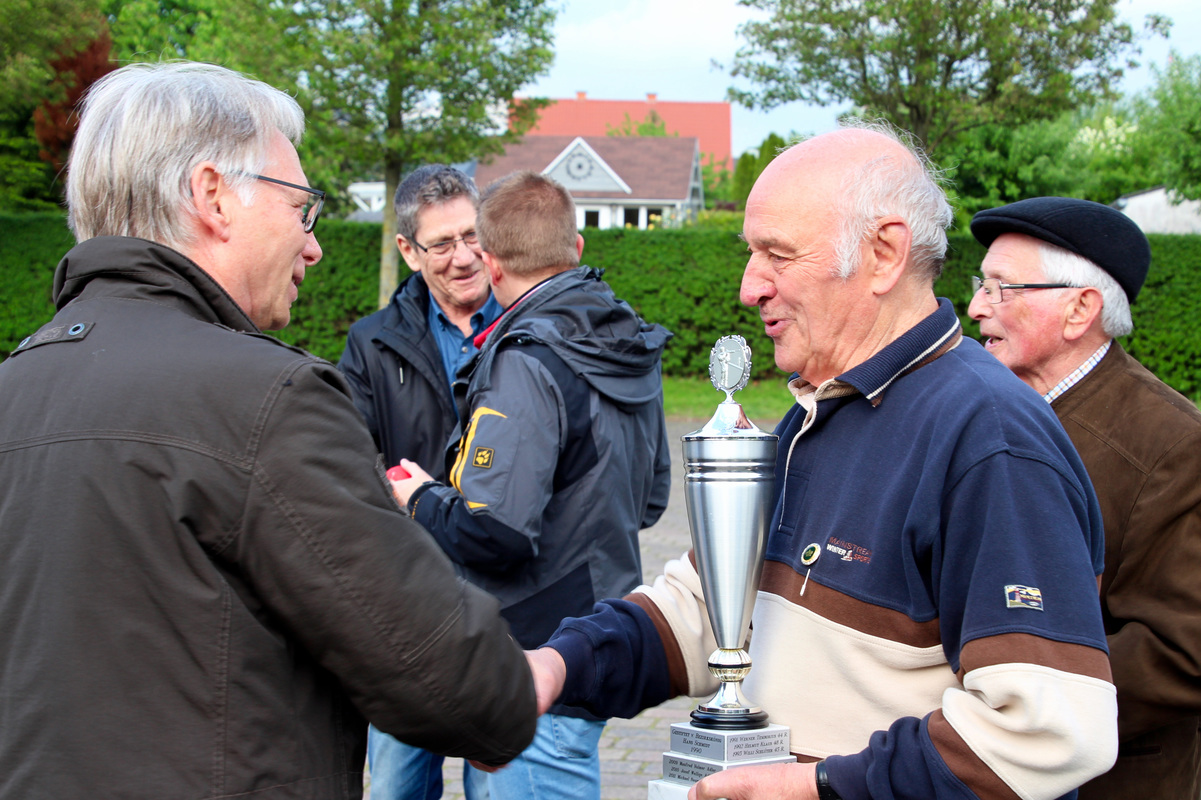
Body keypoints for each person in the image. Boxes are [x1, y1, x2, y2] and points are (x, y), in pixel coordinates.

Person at [522, 123, 1120, 800]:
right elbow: (711, 612)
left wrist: (817, 786)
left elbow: (1050, 732)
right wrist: (557, 666)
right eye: (750, 253)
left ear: (884, 253)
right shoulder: (818, 413)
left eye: (777, 254)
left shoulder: (989, 440)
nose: (749, 286)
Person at [0, 62, 536, 800]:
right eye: (300, 208)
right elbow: (458, 684)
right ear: (213, 196)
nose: (314, 247)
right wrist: (519, 680)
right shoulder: (266, 399)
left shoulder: (13, 387)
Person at [390, 170, 673, 799]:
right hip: (598, 632)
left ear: (491, 264)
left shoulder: (525, 359)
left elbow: (495, 532)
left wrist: (420, 497)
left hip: (534, 653)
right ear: (576, 247)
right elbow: (652, 499)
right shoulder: (625, 337)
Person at [968, 196, 1201, 800]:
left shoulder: (1174, 444)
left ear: (1079, 310)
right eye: (980, 285)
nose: (976, 308)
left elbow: (1183, 648)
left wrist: (1020, 709)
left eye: (1001, 289)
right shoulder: (980, 409)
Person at [338, 164, 503, 800]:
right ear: (408, 250)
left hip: (508, 604)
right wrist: (414, 499)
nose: (464, 257)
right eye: (442, 244)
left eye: (472, 235)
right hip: (407, 608)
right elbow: (350, 465)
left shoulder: (530, 324)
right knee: (397, 787)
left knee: (500, 789)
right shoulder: (371, 343)